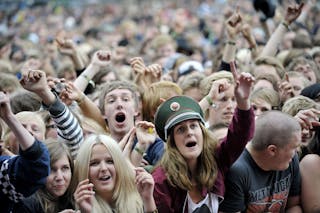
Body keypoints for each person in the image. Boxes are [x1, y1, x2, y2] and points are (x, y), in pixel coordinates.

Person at [152, 61, 255, 212]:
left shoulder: (216, 158)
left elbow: (240, 135)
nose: (189, 132)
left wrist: (243, 102)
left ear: (202, 131)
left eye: (194, 126)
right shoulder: (161, 182)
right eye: (180, 130)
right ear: (172, 141)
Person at [219, 111, 302, 212]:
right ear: (272, 150)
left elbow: (293, 206)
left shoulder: (291, 160)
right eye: (294, 147)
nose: (296, 151)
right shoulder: (238, 170)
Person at [73, 134, 156, 213]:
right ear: (84, 170)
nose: (103, 168)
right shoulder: (80, 208)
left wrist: (148, 199)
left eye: (110, 161)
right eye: (94, 163)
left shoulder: (140, 197)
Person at [0, 91, 50, 212]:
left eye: (35, 129)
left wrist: (9, 117)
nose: (28, 132)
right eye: (22, 127)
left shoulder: (4, 169)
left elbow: (36, 168)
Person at [14, 139, 76, 213]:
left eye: (65, 168)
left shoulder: (74, 199)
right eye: (52, 169)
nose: (59, 177)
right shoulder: (27, 204)